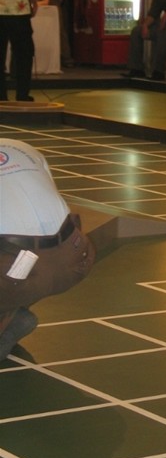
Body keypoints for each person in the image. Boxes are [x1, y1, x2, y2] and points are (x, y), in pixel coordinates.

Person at [0, 139, 95, 360]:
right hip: (76, 256)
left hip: (19, 270)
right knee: (21, 278)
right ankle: (11, 315)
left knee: (14, 277)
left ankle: (8, 324)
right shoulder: (20, 147)